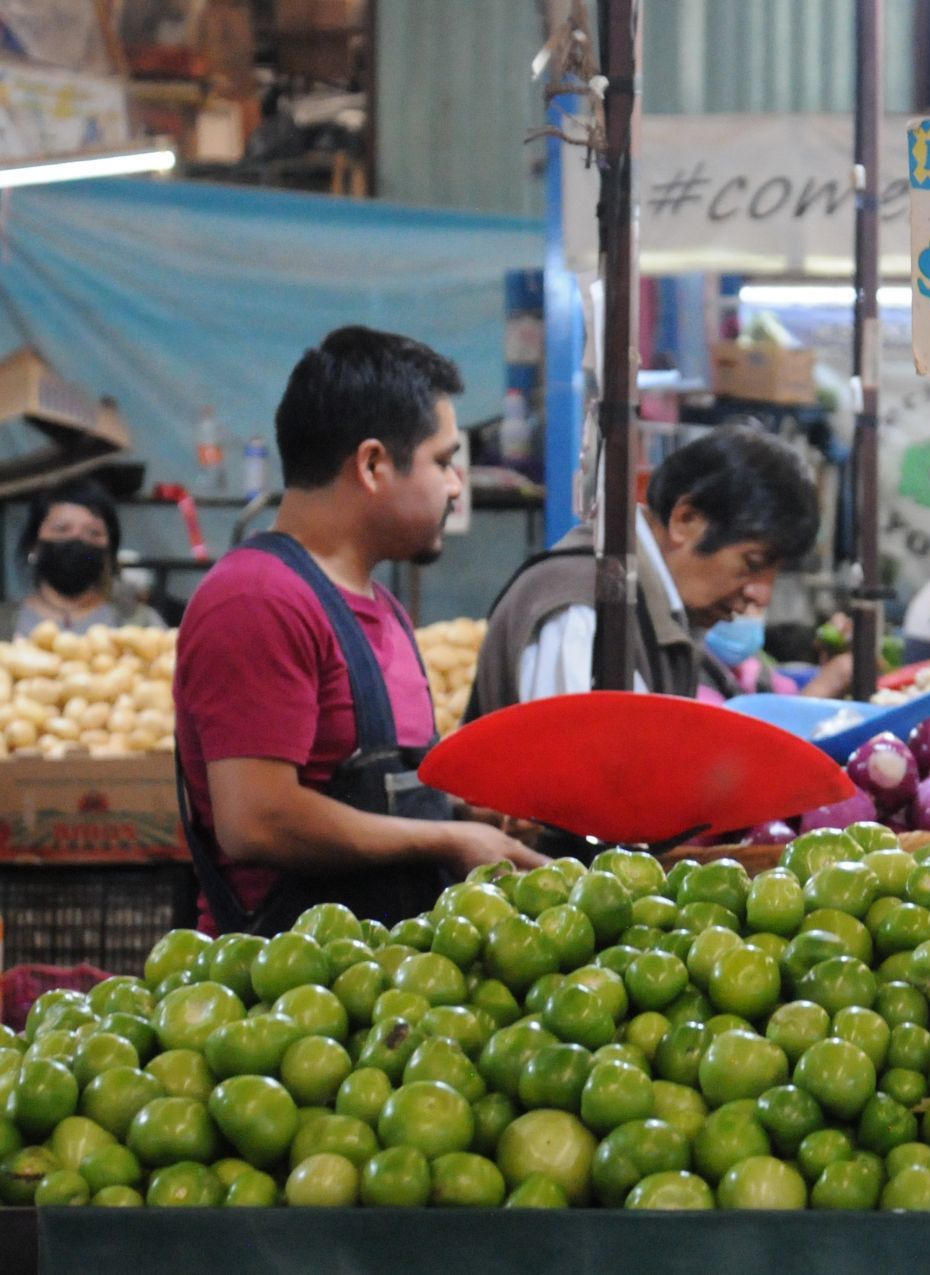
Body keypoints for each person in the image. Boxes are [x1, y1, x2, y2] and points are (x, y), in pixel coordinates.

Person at [173, 326, 544, 935]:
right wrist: (447, 839)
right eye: (444, 462)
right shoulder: (258, 600)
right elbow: (257, 818)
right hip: (286, 997)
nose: (455, 486)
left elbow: (358, 791)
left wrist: (455, 810)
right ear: (373, 464)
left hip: (386, 988)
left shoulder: (381, 606)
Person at [467, 426, 820, 715]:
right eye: (753, 564)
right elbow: (574, 787)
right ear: (686, 520)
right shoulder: (588, 607)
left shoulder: (660, 610)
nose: (761, 595)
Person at [2, 478, 165, 637]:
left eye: (93, 533)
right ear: (34, 545)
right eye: (62, 529)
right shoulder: (4, 624)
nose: (77, 540)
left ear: (108, 549)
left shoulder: (142, 625)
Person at [696, 604, 853, 703]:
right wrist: (823, 688)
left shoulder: (754, 668)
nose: (747, 610)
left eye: (757, 607)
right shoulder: (693, 674)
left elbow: (788, 698)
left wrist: (830, 660)